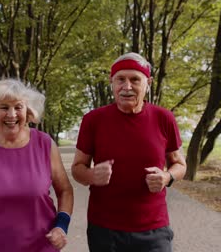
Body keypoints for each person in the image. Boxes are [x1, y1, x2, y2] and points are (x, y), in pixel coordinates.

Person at [71, 52, 187, 252]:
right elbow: (77, 169)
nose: (127, 87)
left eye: (135, 79)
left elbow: (180, 164)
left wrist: (167, 177)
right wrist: (91, 175)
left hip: (154, 228)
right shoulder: (93, 120)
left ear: (148, 83)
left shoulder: (164, 118)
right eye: (120, 80)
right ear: (112, 83)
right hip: (105, 229)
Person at [0, 79, 74, 252]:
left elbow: (65, 191)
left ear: (28, 111)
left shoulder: (45, 144)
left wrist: (61, 226)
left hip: (42, 248)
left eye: (18, 107)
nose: (12, 114)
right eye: (4, 107)